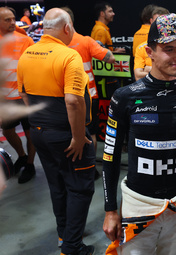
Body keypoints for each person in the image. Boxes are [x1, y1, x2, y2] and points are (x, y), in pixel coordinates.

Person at [102, 13, 176, 255]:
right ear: (150, 51)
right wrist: (110, 210)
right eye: (169, 49)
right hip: (139, 204)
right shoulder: (124, 96)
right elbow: (110, 156)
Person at [17, 8, 96, 255]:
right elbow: (73, 101)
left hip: (40, 133)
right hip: (67, 135)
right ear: (67, 27)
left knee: (57, 185)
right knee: (80, 188)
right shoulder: (68, 56)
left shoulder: (27, 53)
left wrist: (41, 123)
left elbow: (23, 94)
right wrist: (77, 136)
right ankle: (72, 247)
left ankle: (64, 237)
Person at [62, 6, 115, 179]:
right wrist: (100, 47)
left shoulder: (54, 44)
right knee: (89, 131)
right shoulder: (85, 41)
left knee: (67, 131)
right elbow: (110, 58)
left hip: (61, 97)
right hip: (88, 95)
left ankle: (72, 166)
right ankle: (89, 166)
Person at [0, 7, 36, 184]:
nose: (12, 22)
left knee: (31, 133)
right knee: (8, 131)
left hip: (26, 96)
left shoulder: (26, 40)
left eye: (13, 19)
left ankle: (30, 164)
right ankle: (21, 156)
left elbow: (37, 66)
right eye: (7, 20)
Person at [133, 6, 169, 81]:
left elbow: (174, 74)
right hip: (149, 90)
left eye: (162, 22)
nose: (159, 25)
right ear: (151, 21)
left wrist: (149, 69)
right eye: (156, 22)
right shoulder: (141, 47)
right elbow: (138, 76)